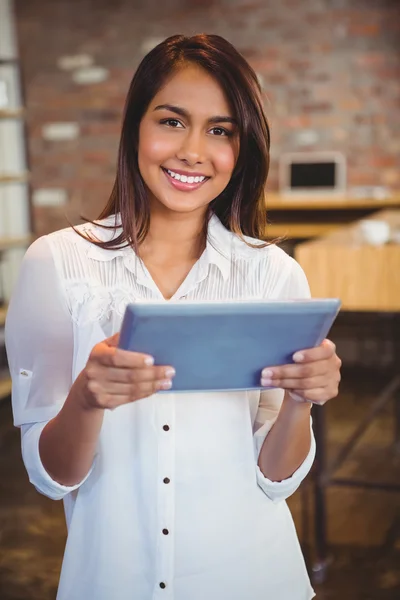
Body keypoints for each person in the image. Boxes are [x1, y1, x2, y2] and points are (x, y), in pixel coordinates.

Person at [5, 34, 341, 600]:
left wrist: (301, 402)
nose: (192, 151)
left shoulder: (273, 275)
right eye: (171, 121)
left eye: (220, 130)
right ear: (135, 126)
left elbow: (273, 478)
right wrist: (87, 396)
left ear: (242, 149)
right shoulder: (56, 263)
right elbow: (51, 476)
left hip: (257, 579)